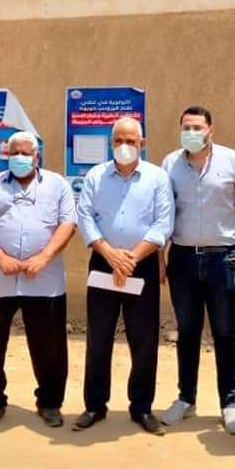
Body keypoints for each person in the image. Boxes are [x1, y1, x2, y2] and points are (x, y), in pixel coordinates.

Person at [0, 131, 77, 429]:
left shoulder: (57, 185)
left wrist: (44, 257)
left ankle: (50, 403)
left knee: (50, 346)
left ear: (36, 156)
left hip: (44, 279)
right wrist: (0, 258)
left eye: (26, 152)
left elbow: (68, 224)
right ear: (6, 154)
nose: (20, 157)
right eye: (14, 152)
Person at [73, 117, 174, 436]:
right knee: (98, 337)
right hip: (104, 262)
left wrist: (131, 257)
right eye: (118, 141)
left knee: (144, 340)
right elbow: (85, 217)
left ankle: (141, 407)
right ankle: (94, 405)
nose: (124, 146)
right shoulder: (96, 176)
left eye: (131, 141)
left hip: (141, 265)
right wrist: (110, 253)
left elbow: (163, 223)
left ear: (142, 144)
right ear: (110, 143)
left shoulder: (157, 177)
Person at [160, 105, 235, 433]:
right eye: (186, 127)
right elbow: (163, 213)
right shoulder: (170, 164)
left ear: (210, 130)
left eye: (197, 127)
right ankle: (186, 398)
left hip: (223, 259)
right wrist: (160, 257)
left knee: (225, 333)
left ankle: (228, 402)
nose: (191, 133)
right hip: (183, 258)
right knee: (187, 332)